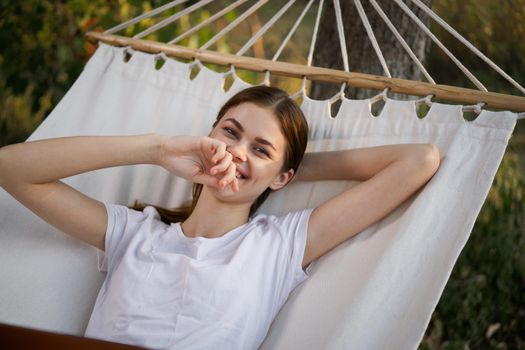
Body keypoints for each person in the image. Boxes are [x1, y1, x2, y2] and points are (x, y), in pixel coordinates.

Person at [0, 85, 440, 349]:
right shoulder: (135, 234)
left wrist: (280, 171)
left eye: (260, 147)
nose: (236, 151)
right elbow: (11, 169)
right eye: (230, 133)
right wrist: (157, 149)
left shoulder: (279, 245)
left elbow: (419, 160)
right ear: (207, 136)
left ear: (285, 175)